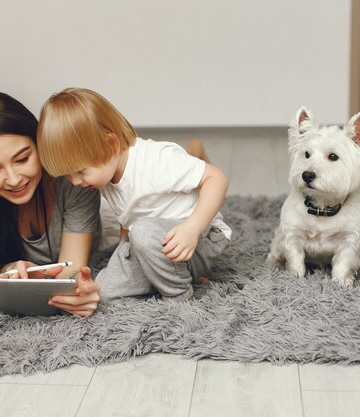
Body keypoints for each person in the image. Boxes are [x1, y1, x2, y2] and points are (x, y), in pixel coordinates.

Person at [37, 88, 231, 303]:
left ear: (110, 145)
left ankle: (180, 296)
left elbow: (217, 178)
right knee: (105, 292)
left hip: (201, 237)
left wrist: (193, 228)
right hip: (152, 245)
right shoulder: (106, 176)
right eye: (68, 175)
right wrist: (123, 255)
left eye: (81, 171)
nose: (75, 182)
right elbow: (129, 215)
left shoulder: (156, 160)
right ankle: (179, 275)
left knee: (142, 232)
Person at [0, 90, 101, 316]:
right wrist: (10, 270)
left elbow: (70, 273)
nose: (14, 180)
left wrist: (80, 294)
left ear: (39, 143)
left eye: (23, 159)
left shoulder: (74, 181)